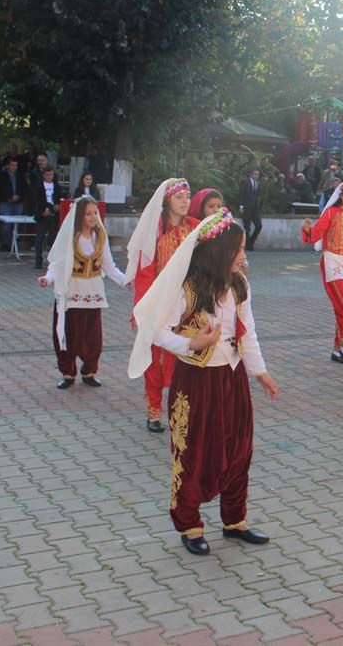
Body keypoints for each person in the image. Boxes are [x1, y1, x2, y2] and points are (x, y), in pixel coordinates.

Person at [128, 209, 279, 556]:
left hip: (232, 375)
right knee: (194, 451)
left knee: (239, 448)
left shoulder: (239, 284)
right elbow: (156, 330)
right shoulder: (187, 287)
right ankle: (190, 524)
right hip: (196, 379)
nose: (242, 256)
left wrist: (260, 372)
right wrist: (191, 344)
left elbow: (248, 331)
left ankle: (235, 520)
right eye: (237, 249)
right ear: (219, 251)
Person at [125, 178, 200, 432]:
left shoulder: (195, 228)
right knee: (156, 360)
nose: (185, 201)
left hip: (190, 304)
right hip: (160, 304)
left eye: (188, 196)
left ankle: (182, 411)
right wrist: (141, 308)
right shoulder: (155, 233)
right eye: (179, 197)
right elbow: (145, 274)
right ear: (168, 201)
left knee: (187, 358)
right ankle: (154, 411)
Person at [37, 196, 129, 388]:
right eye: (88, 213)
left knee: (92, 336)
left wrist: (124, 280)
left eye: (95, 213)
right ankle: (68, 373)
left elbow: (109, 265)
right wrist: (48, 278)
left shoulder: (100, 236)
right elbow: (57, 264)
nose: (93, 217)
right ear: (79, 215)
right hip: (72, 292)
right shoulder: (70, 238)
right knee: (70, 335)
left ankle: (89, 371)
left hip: (93, 293)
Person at [301, 180, 343, 363]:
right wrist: (308, 230)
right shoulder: (331, 213)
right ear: (341, 196)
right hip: (333, 262)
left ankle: (338, 350)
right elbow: (315, 235)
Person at [32, 166, 67, 270]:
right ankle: (38, 261)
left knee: (53, 238)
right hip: (42, 214)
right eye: (47, 175)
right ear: (43, 175)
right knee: (40, 239)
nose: (49, 176)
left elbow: (59, 199)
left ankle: (52, 261)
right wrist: (46, 209)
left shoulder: (56, 186)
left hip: (53, 215)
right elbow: (38, 200)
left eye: (51, 174)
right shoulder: (39, 186)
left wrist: (56, 207)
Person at [0, 158, 26, 251]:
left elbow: (24, 188)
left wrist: (18, 196)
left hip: (18, 203)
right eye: (12, 165)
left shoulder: (20, 176)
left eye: (16, 165)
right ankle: (5, 244)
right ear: (8, 166)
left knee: (16, 225)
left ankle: (13, 244)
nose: (14, 167)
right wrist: (9, 197)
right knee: (6, 225)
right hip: (6, 203)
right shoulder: (1, 176)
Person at [238, 168, 263, 251]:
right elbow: (241, 194)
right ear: (251, 174)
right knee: (247, 227)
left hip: (255, 209)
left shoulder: (258, 183)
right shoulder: (245, 182)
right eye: (255, 174)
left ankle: (251, 241)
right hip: (246, 207)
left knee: (259, 226)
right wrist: (241, 206)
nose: (256, 176)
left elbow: (259, 196)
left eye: (257, 174)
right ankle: (248, 245)